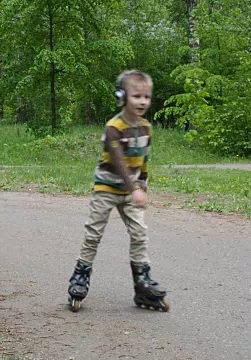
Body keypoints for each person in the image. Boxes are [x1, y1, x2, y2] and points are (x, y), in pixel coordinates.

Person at [67, 70, 169, 312]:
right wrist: (134, 188)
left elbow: (144, 161)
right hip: (107, 187)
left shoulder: (146, 128)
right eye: (136, 96)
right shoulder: (114, 127)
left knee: (139, 233)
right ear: (122, 96)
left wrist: (142, 185)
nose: (142, 101)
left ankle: (142, 284)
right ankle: (80, 277)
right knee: (94, 233)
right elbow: (119, 160)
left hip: (131, 191)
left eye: (146, 97)